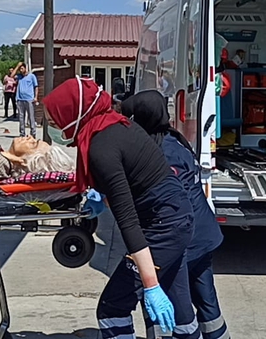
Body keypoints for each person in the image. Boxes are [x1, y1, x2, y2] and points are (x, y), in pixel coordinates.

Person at [42, 77, 200, 339]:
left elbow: (127, 219)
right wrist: (103, 201)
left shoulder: (101, 146)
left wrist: (149, 285)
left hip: (163, 225)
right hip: (175, 215)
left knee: (112, 307)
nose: (53, 127)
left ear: (74, 113)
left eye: (54, 119)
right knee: (179, 309)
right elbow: (134, 181)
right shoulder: (117, 124)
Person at [121, 90, 229, 339]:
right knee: (207, 304)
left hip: (182, 241)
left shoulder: (156, 152)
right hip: (203, 235)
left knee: (168, 308)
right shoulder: (173, 140)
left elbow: (165, 201)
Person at [16, 63, 39, 137]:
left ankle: (33, 133)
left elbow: (36, 87)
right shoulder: (19, 77)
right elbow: (11, 76)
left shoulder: (31, 76)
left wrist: (35, 97)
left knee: (31, 117)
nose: (21, 70)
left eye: (22, 68)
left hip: (29, 99)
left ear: (26, 68)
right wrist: (17, 66)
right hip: (20, 99)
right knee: (21, 117)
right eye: (20, 69)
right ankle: (22, 133)